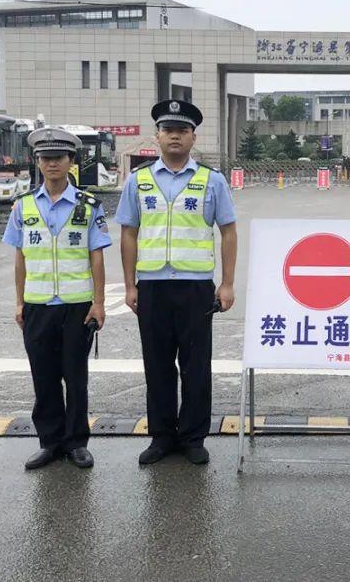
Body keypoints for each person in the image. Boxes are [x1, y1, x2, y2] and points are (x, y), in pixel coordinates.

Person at [116, 99, 238, 466]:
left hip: (195, 286)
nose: (174, 136)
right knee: (157, 364)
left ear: (192, 137)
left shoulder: (210, 180)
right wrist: (130, 285)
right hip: (152, 286)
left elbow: (228, 232)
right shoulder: (138, 181)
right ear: (157, 135)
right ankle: (162, 436)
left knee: (196, 364)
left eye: (182, 131)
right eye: (168, 130)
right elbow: (129, 234)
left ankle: (194, 437)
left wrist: (227, 283)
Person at [2, 127, 110, 470]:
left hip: (77, 306)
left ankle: (77, 443)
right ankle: (50, 443)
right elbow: (20, 257)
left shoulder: (88, 205)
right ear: (37, 162)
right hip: (37, 306)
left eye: (58, 158)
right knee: (44, 378)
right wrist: (19, 302)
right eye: (45, 158)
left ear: (71, 162)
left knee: (75, 378)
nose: (52, 164)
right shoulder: (23, 207)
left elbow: (97, 256)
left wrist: (99, 302)